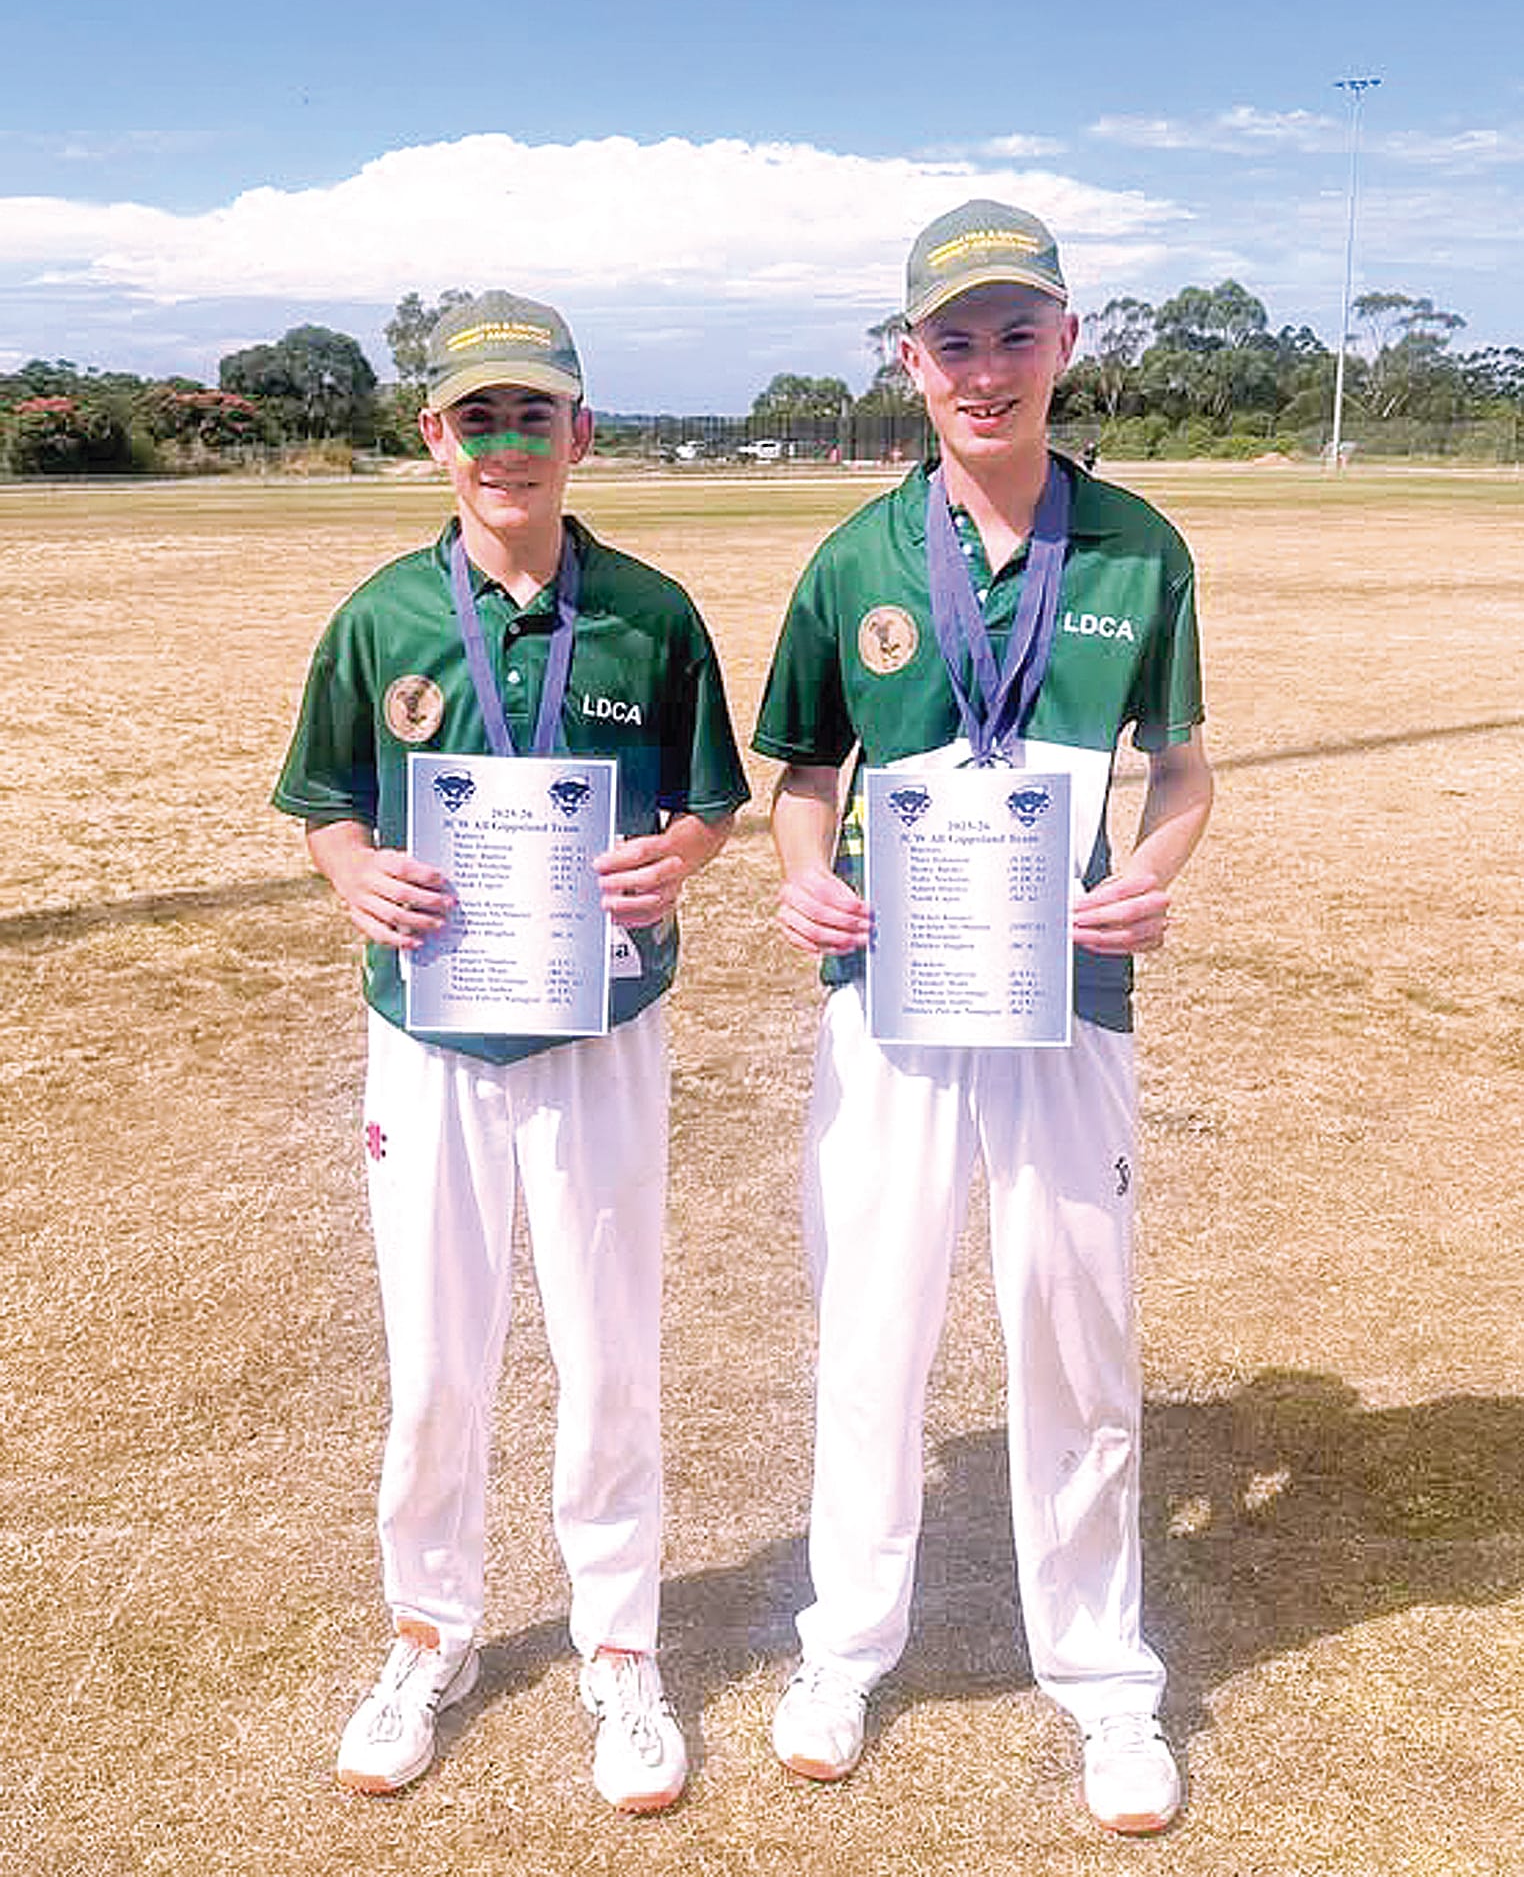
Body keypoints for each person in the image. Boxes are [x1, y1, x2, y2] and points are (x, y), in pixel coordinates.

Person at [751, 199, 1213, 1835]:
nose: (986, 366)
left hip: (1069, 998)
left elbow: (1183, 773)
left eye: (1018, 332)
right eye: (955, 338)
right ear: (911, 358)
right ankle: (842, 1649)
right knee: (871, 1329)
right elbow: (805, 774)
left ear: (1067, 342)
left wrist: (1150, 873)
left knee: (1074, 1334)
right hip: (890, 1001)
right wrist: (804, 878)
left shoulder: (1141, 548)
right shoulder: (856, 559)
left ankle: (1103, 1680)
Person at [273, 290, 749, 1812]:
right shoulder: (381, 619)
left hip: (600, 1026)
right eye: (477, 416)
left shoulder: (651, 614)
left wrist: (677, 857)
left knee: (607, 1349)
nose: (506, 443)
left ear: (579, 432)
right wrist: (354, 875)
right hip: (429, 1030)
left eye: (533, 414)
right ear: (436, 436)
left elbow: (711, 802)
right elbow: (326, 801)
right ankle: (430, 1630)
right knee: (435, 1357)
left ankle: (620, 1646)